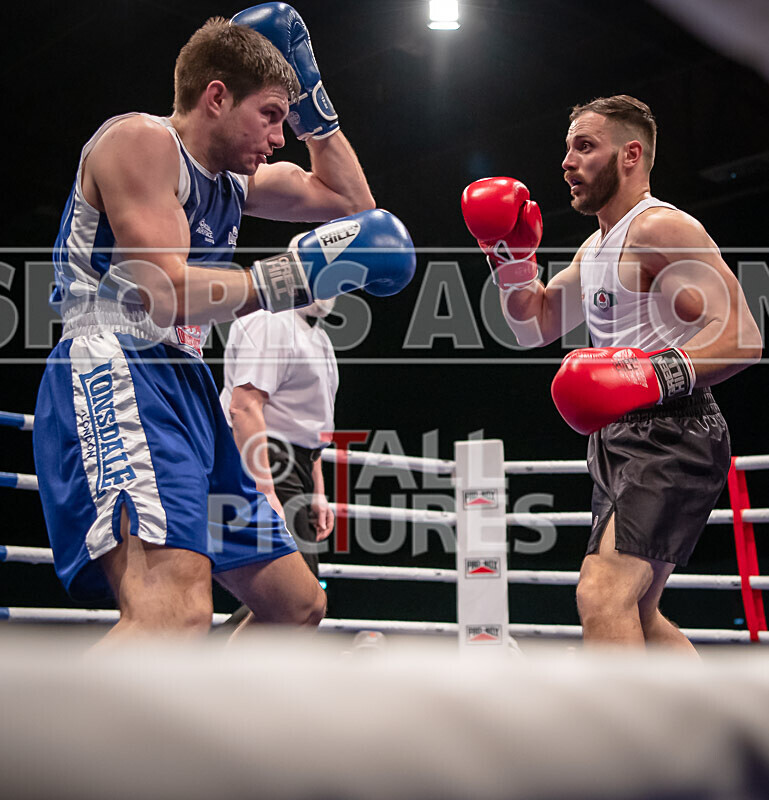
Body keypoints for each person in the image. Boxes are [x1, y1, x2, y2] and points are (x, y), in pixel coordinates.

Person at [32, 5, 414, 638]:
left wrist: (311, 101)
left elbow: (353, 208)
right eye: (269, 113)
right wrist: (289, 279)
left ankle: (196, 729)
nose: (280, 134)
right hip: (116, 366)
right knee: (172, 611)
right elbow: (161, 291)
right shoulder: (141, 142)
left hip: (184, 383)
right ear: (215, 97)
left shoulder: (237, 182)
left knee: (296, 604)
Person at [462, 95, 762, 651]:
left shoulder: (662, 229)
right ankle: (720, 731)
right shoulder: (597, 246)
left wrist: (646, 375)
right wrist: (511, 263)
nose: (567, 162)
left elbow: (743, 335)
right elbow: (535, 327)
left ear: (630, 155)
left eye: (584, 146)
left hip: (674, 431)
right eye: (568, 148)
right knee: (638, 612)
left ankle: (625, 740)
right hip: (621, 434)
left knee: (602, 594)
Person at [218, 295, 338, 629]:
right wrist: (265, 488)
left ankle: (215, 671)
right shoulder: (271, 322)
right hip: (268, 460)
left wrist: (318, 491)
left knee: (301, 599)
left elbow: (313, 427)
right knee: (297, 599)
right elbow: (244, 407)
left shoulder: (319, 338)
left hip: (296, 466)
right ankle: (207, 672)